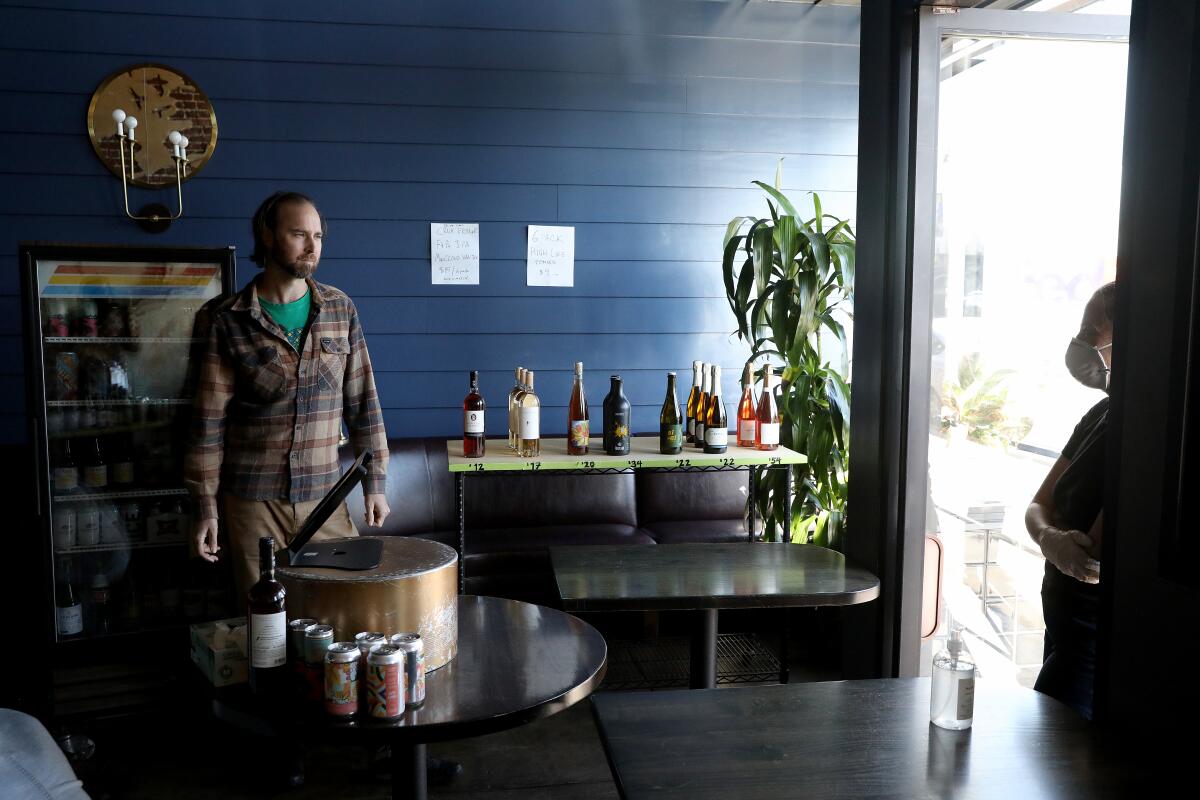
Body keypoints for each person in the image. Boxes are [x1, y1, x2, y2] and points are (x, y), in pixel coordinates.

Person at [185, 191, 390, 595]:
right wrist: (205, 508)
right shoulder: (224, 320)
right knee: (264, 624)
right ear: (267, 236)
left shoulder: (339, 309)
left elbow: (364, 403)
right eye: (299, 234)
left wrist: (376, 483)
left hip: (326, 502)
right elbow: (207, 424)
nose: (312, 247)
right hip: (252, 507)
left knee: (335, 615)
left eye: (318, 236)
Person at [1024, 281, 1113, 719]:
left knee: (1049, 748)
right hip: (1059, 615)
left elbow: (1091, 560)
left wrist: (1059, 542)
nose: (1084, 347)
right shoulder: (1100, 414)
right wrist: (1049, 539)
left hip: (1089, 631)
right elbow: (1037, 505)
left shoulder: (1150, 429)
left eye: (1094, 333)